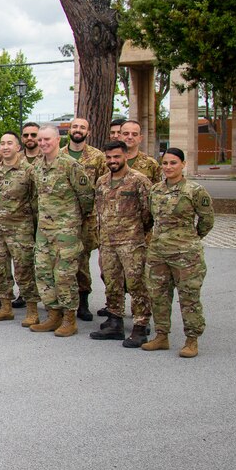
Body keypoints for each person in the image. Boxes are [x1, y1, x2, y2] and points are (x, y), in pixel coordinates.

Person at [142, 148, 215, 358]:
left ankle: (192, 340)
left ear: (183, 164)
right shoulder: (155, 190)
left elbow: (207, 220)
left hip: (186, 255)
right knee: (157, 295)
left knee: (189, 297)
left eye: (173, 163)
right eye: (165, 163)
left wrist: (190, 239)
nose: (168, 167)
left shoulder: (195, 190)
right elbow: (152, 219)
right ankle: (161, 335)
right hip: (158, 253)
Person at [29, 124, 95, 337]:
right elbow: (36, 198)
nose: (43, 143)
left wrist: (73, 221)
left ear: (58, 139)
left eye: (47, 139)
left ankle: (69, 319)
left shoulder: (70, 165)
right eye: (40, 140)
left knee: (64, 275)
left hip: (66, 232)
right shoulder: (37, 166)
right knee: (44, 273)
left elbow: (87, 197)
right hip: (44, 232)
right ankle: (53, 314)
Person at [90, 140, 153, 345]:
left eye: (116, 157)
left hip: (132, 243)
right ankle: (114, 321)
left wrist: (137, 233)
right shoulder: (102, 182)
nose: (112, 161)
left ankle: (140, 326)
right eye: (108, 157)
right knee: (112, 283)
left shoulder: (139, 180)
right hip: (107, 243)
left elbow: (148, 213)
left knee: (136, 285)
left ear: (125, 156)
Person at [0, 131, 40, 326]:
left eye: (10, 143)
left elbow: (35, 200)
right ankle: (5, 306)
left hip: (20, 230)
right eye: (3, 143)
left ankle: (32, 309)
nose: (6, 147)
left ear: (18, 147)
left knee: (24, 270)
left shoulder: (29, 171)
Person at [64, 117, 108, 321]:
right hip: (63, 218)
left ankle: (83, 302)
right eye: (75, 127)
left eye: (82, 127)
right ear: (69, 130)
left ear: (88, 132)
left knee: (81, 261)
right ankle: (64, 301)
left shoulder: (97, 157)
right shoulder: (59, 155)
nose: (78, 130)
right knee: (63, 261)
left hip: (87, 220)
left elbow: (104, 185)